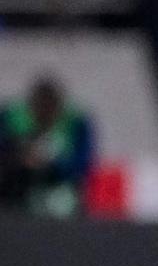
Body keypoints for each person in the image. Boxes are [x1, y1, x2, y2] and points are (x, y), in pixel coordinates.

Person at [0, 76, 95, 217]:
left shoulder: (76, 123)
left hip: (61, 189)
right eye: (40, 106)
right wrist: (20, 157)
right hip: (15, 189)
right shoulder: (10, 118)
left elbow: (83, 164)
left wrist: (52, 165)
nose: (45, 112)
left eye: (50, 107)